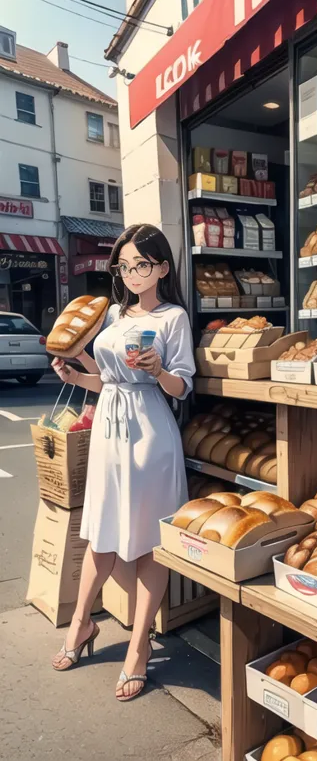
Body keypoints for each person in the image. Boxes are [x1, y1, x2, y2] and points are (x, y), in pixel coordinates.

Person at [51, 224, 195, 701]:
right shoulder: (113, 313)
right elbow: (107, 381)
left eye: (143, 265)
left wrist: (160, 372)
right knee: (100, 529)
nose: (134, 274)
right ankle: (81, 623)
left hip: (151, 433)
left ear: (163, 268)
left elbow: (183, 386)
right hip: (109, 428)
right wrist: (76, 370)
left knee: (151, 538)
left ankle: (138, 647)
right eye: (126, 266)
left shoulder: (173, 317)